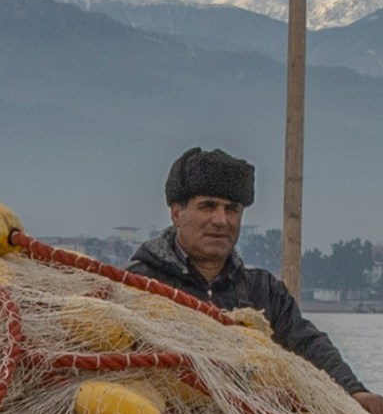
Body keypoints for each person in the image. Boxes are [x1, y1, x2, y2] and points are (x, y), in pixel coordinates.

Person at [122, 145, 370, 399]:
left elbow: (307, 344)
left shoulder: (264, 292)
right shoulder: (136, 284)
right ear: (176, 213)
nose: (221, 220)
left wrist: (353, 389)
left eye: (232, 209)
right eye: (208, 206)